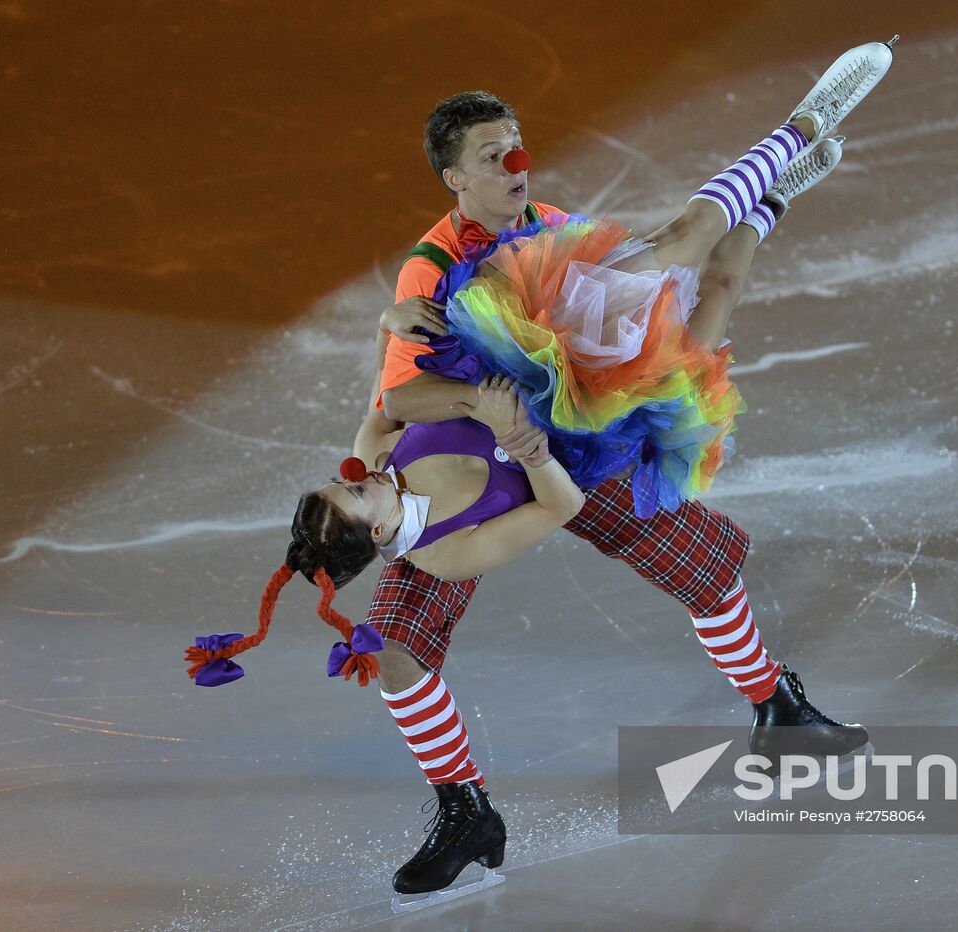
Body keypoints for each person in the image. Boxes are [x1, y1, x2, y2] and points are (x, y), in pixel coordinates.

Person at [185, 37, 898, 900]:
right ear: (455, 178)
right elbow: (401, 401)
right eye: (494, 154)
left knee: (699, 551)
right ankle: (465, 810)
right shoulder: (432, 268)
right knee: (402, 654)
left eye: (516, 143)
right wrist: (482, 407)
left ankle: (775, 708)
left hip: (576, 432)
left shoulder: (549, 227)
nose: (517, 160)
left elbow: (397, 419)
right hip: (519, 458)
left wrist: (541, 389)